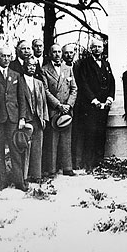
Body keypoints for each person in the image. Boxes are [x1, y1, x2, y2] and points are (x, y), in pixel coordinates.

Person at [0, 47, 27, 191]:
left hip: (13, 117)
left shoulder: (16, 75)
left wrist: (22, 117)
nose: (5, 58)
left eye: (8, 56)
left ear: (11, 57)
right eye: (3, 56)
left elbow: (21, 98)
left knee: (15, 150)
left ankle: (19, 181)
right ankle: (2, 181)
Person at [76, 37, 115, 171]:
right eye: (95, 47)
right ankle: (88, 163)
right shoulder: (85, 64)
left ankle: (99, 161)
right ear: (91, 49)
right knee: (90, 134)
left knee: (101, 133)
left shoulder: (106, 63)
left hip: (104, 106)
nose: (97, 49)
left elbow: (112, 81)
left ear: (103, 48)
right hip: (91, 105)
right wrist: (94, 100)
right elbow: (83, 83)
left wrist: (110, 98)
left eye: (99, 47)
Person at [42, 44, 77, 177]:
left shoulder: (68, 69)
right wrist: (58, 105)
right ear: (50, 54)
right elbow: (45, 90)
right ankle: (51, 169)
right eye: (54, 52)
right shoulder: (44, 70)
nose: (57, 54)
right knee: (53, 140)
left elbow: (74, 88)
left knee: (66, 139)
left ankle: (67, 167)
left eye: (58, 52)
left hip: (67, 110)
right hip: (54, 109)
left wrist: (68, 105)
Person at [21, 56, 49, 181]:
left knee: (38, 148)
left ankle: (37, 175)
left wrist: (44, 118)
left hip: (37, 119)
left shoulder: (39, 83)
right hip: (25, 120)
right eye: (29, 65)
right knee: (24, 148)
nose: (31, 67)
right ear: (24, 66)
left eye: (33, 65)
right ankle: (24, 176)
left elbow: (43, 101)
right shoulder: (19, 81)